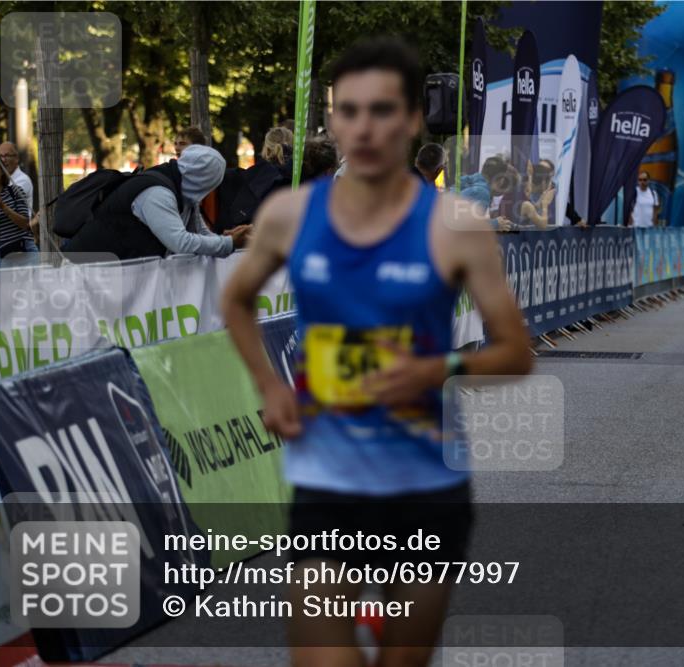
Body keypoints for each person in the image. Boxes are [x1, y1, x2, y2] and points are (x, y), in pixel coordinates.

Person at [220, 37, 532, 667]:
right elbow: (236, 299)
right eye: (349, 110)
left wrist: (438, 367)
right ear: (333, 120)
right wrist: (270, 387)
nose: (364, 128)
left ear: (413, 120)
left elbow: (516, 353)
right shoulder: (288, 215)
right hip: (327, 481)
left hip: (425, 485)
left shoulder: (455, 225)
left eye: (382, 110)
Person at [64, 144, 251, 260]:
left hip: (113, 270)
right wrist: (229, 243)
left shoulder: (184, 189)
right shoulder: (157, 194)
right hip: (90, 270)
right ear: (205, 181)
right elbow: (180, 242)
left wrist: (227, 238)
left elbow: (198, 231)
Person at [0, 156, 38, 268]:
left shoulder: (15, 191)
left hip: (25, 250)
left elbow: (25, 223)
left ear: (2, 171)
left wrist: (3, 207)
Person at [0, 142, 33, 217]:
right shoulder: (0, 180)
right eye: (0, 156)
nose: (3, 160)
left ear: (17, 158)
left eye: (7, 155)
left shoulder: (23, 180)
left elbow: (6, 204)